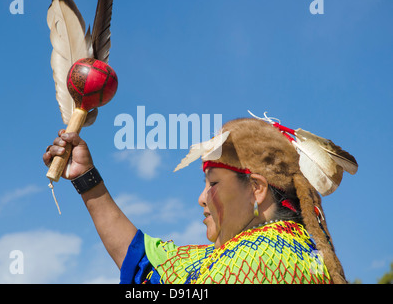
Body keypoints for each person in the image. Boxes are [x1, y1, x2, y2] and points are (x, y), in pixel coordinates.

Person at [43, 117, 356, 284]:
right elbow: (146, 262)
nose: (201, 199)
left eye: (213, 184)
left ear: (255, 189)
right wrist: (86, 178)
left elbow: (152, 272)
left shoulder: (262, 261)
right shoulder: (295, 253)